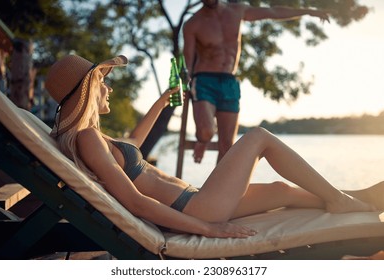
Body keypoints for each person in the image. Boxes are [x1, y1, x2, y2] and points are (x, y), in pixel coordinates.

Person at [45, 54, 382, 238]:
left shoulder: (95, 138)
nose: (109, 89)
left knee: (282, 189)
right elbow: (135, 202)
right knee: (258, 137)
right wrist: (208, 228)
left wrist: (163, 101)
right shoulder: (87, 139)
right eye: (103, 81)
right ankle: (340, 200)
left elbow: (133, 142)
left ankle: (359, 198)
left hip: (196, 199)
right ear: (88, 89)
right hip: (196, 210)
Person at [183, 0, 330, 163]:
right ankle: (202, 141)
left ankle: (219, 188)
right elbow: (188, 62)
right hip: (204, 80)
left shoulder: (237, 11)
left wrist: (308, 11)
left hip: (229, 82)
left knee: (227, 146)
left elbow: (272, 12)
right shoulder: (193, 24)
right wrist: (184, 83)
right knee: (205, 132)